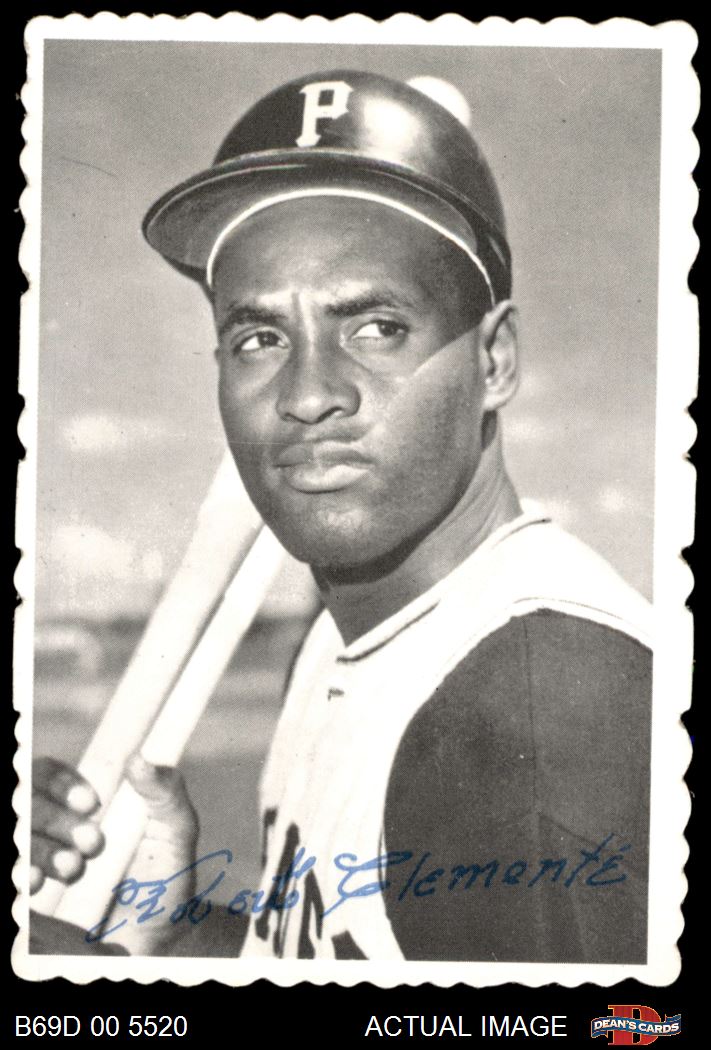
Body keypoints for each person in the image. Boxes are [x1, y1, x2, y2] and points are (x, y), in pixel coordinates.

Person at [30, 70, 652, 963]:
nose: (309, 394)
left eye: (374, 328)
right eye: (259, 338)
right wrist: (172, 932)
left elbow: (616, 1024)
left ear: (495, 361)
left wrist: (76, 987)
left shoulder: (536, 713)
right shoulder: (337, 639)